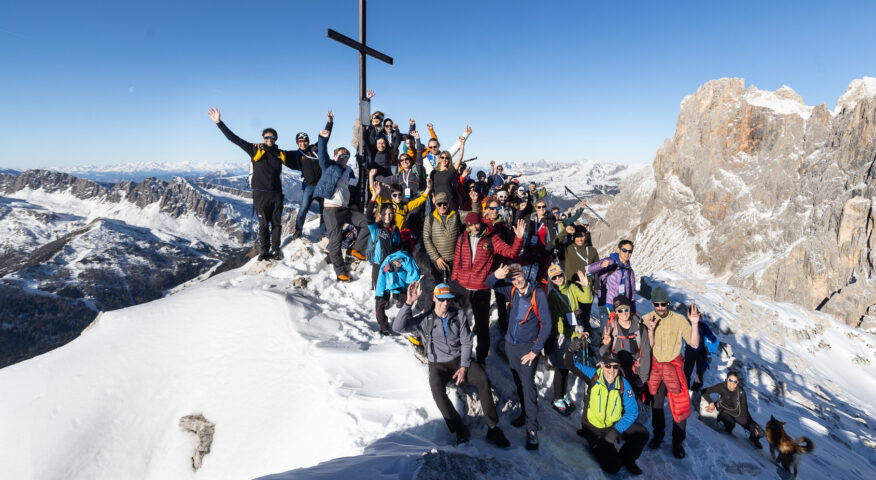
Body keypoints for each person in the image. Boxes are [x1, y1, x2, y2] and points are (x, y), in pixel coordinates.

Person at [392, 282, 511, 448]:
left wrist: (463, 367)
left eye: (448, 299)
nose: (445, 303)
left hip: (459, 359)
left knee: (483, 380)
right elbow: (398, 327)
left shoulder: (459, 315)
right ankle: (459, 429)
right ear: (434, 298)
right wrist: (408, 303)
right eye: (441, 299)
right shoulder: (425, 319)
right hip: (438, 364)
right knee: (437, 391)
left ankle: (492, 427)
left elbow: (466, 342)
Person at [207, 107, 295, 260]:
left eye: (272, 137)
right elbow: (233, 139)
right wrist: (219, 122)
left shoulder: (280, 153)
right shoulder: (254, 150)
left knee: (276, 224)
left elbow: (300, 154)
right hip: (260, 194)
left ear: (275, 139)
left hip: (276, 194)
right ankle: (264, 251)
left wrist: (320, 141)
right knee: (263, 225)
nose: (269, 140)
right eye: (267, 137)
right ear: (262, 137)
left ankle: (275, 250)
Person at [485, 263, 551, 451]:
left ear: (524, 274)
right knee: (519, 383)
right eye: (513, 278)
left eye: (519, 276)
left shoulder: (538, 295)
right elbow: (488, 284)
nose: (517, 280)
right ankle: (524, 414)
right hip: (511, 346)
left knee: (528, 387)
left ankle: (532, 430)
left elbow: (546, 325)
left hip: (527, 349)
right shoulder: (513, 290)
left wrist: (535, 351)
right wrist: (496, 275)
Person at [451, 215, 526, 365]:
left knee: (482, 326)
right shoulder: (463, 238)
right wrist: (454, 281)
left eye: (476, 224)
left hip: (481, 288)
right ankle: (455, 353)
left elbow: (511, 253)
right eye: (471, 226)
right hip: (461, 286)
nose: (474, 228)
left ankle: (481, 359)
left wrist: (518, 238)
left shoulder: (491, 238)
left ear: (481, 223)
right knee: (455, 321)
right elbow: (456, 261)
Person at [566, 349, 649, 475]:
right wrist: (571, 349)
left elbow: (632, 411)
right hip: (594, 428)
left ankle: (627, 459)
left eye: (615, 366)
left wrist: (616, 431)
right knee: (613, 467)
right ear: (603, 365)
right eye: (608, 365)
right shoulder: (594, 375)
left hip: (613, 425)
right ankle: (597, 444)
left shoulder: (623, 384)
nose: (611, 370)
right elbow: (570, 364)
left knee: (642, 434)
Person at [642, 287, 700, 459]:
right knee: (657, 404)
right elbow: (647, 348)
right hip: (656, 368)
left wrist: (695, 324)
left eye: (663, 304)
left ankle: (678, 442)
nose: (660, 307)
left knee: (681, 406)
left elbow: (694, 344)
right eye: (656, 304)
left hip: (674, 368)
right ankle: (658, 435)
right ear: (652, 304)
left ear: (668, 303)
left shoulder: (679, 320)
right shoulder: (647, 319)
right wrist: (651, 330)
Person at [315, 129, 369, 282]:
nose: (344, 158)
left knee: (366, 222)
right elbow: (322, 154)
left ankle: (357, 249)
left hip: (345, 209)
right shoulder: (330, 166)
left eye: (346, 156)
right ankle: (340, 272)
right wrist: (322, 138)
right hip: (331, 209)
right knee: (335, 241)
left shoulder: (349, 171)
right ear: (335, 156)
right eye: (341, 155)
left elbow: (353, 187)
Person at [544, 264, 592, 416]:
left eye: (559, 275)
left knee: (567, 364)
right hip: (561, 335)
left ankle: (563, 395)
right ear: (551, 280)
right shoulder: (552, 296)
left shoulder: (571, 287)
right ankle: (557, 397)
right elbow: (558, 322)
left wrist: (586, 286)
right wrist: (574, 334)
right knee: (561, 365)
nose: (558, 279)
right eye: (554, 277)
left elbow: (587, 298)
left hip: (572, 330)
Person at [290, 110, 334, 240]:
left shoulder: (316, 148)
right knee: (303, 209)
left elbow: (325, 136)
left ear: (308, 141)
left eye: (304, 141)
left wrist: (330, 123)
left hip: (322, 185)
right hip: (309, 187)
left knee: (324, 211)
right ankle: (298, 231)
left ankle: (323, 232)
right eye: (300, 141)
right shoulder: (297, 155)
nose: (303, 143)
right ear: (297, 143)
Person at [599, 295, 651, 398]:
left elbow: (646, 353)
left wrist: (643, 378)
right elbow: (603, 355)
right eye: (620, 311)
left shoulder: (640, 329)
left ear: (630, 309)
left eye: (626, 309)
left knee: (632, 403)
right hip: (616, 373)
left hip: (635, 374)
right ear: (616, 313)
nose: (624, 313)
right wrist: (606, 344)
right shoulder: (611, 328)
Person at [366, 201, 403, 335]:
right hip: (379, 267)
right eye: (385, 214)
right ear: (380, 215)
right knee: (381, 298)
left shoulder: (394, 230)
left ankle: (384, 319)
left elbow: (398, 248)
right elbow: (368, 217)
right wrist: (374, 198)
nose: (388, 216)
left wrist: (398, 260)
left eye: (390, 214)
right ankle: (383, 326)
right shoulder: (376, 228)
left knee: (386, 296)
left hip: (390, 268)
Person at [702, 371, 763, 449]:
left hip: (738, 414)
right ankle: (724, 432)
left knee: (760, 432)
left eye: (735, 381)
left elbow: (745, 409)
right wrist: (711, 403)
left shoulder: (741, 392)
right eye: (730, 380)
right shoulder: (721, 387)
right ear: (726, 380)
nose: (732, 383)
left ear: (737, 382)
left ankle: (753, 438)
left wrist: (750, 423)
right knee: (731, 424)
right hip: (724, 410)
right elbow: (704, 392)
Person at [588, 240, 637, 337]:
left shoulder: (630, 271)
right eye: (624, 250)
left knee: (620, 336)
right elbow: (589, 269)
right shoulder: (610, 262)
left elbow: (632, 293)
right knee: (606, 336)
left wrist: (634, 311)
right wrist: (600, 265)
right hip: (607, 305)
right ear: (619, 250)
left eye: (630, 251)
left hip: (622, 309)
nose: (627, 253)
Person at [422, 192, 462, 285]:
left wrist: (475, 201)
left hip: (454, 261)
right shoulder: (430, 218)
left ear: (448, 203)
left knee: (454, 288)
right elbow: (426, 239)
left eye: (445, 204)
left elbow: (473, 216)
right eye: (439, 204)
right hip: (437, 261)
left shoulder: (456, 215)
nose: (442, 206)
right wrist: (437, 257)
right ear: (435, 204)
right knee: (438, 288)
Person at [684, 320, 720, 395]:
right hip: (695, 351)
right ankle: (692, 389)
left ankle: (691, 389)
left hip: (697, 351)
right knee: (692, 371)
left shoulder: (702, 325)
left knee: (694, 372)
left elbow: (712, 338)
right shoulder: (699, 324)